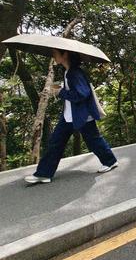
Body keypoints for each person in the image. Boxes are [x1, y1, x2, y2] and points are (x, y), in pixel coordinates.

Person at [24, 49, 118, 184]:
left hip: (81, 115)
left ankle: (110, 161)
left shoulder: (74, 73)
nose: (54, 56)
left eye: (56, 53)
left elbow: (82, 94)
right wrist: (61, 88)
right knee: (56, 142)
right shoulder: (68, 71)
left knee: (93, 140)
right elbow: (75, 90)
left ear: (65, 55)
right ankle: (44, 173)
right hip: (70, 115)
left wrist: (60, 92)